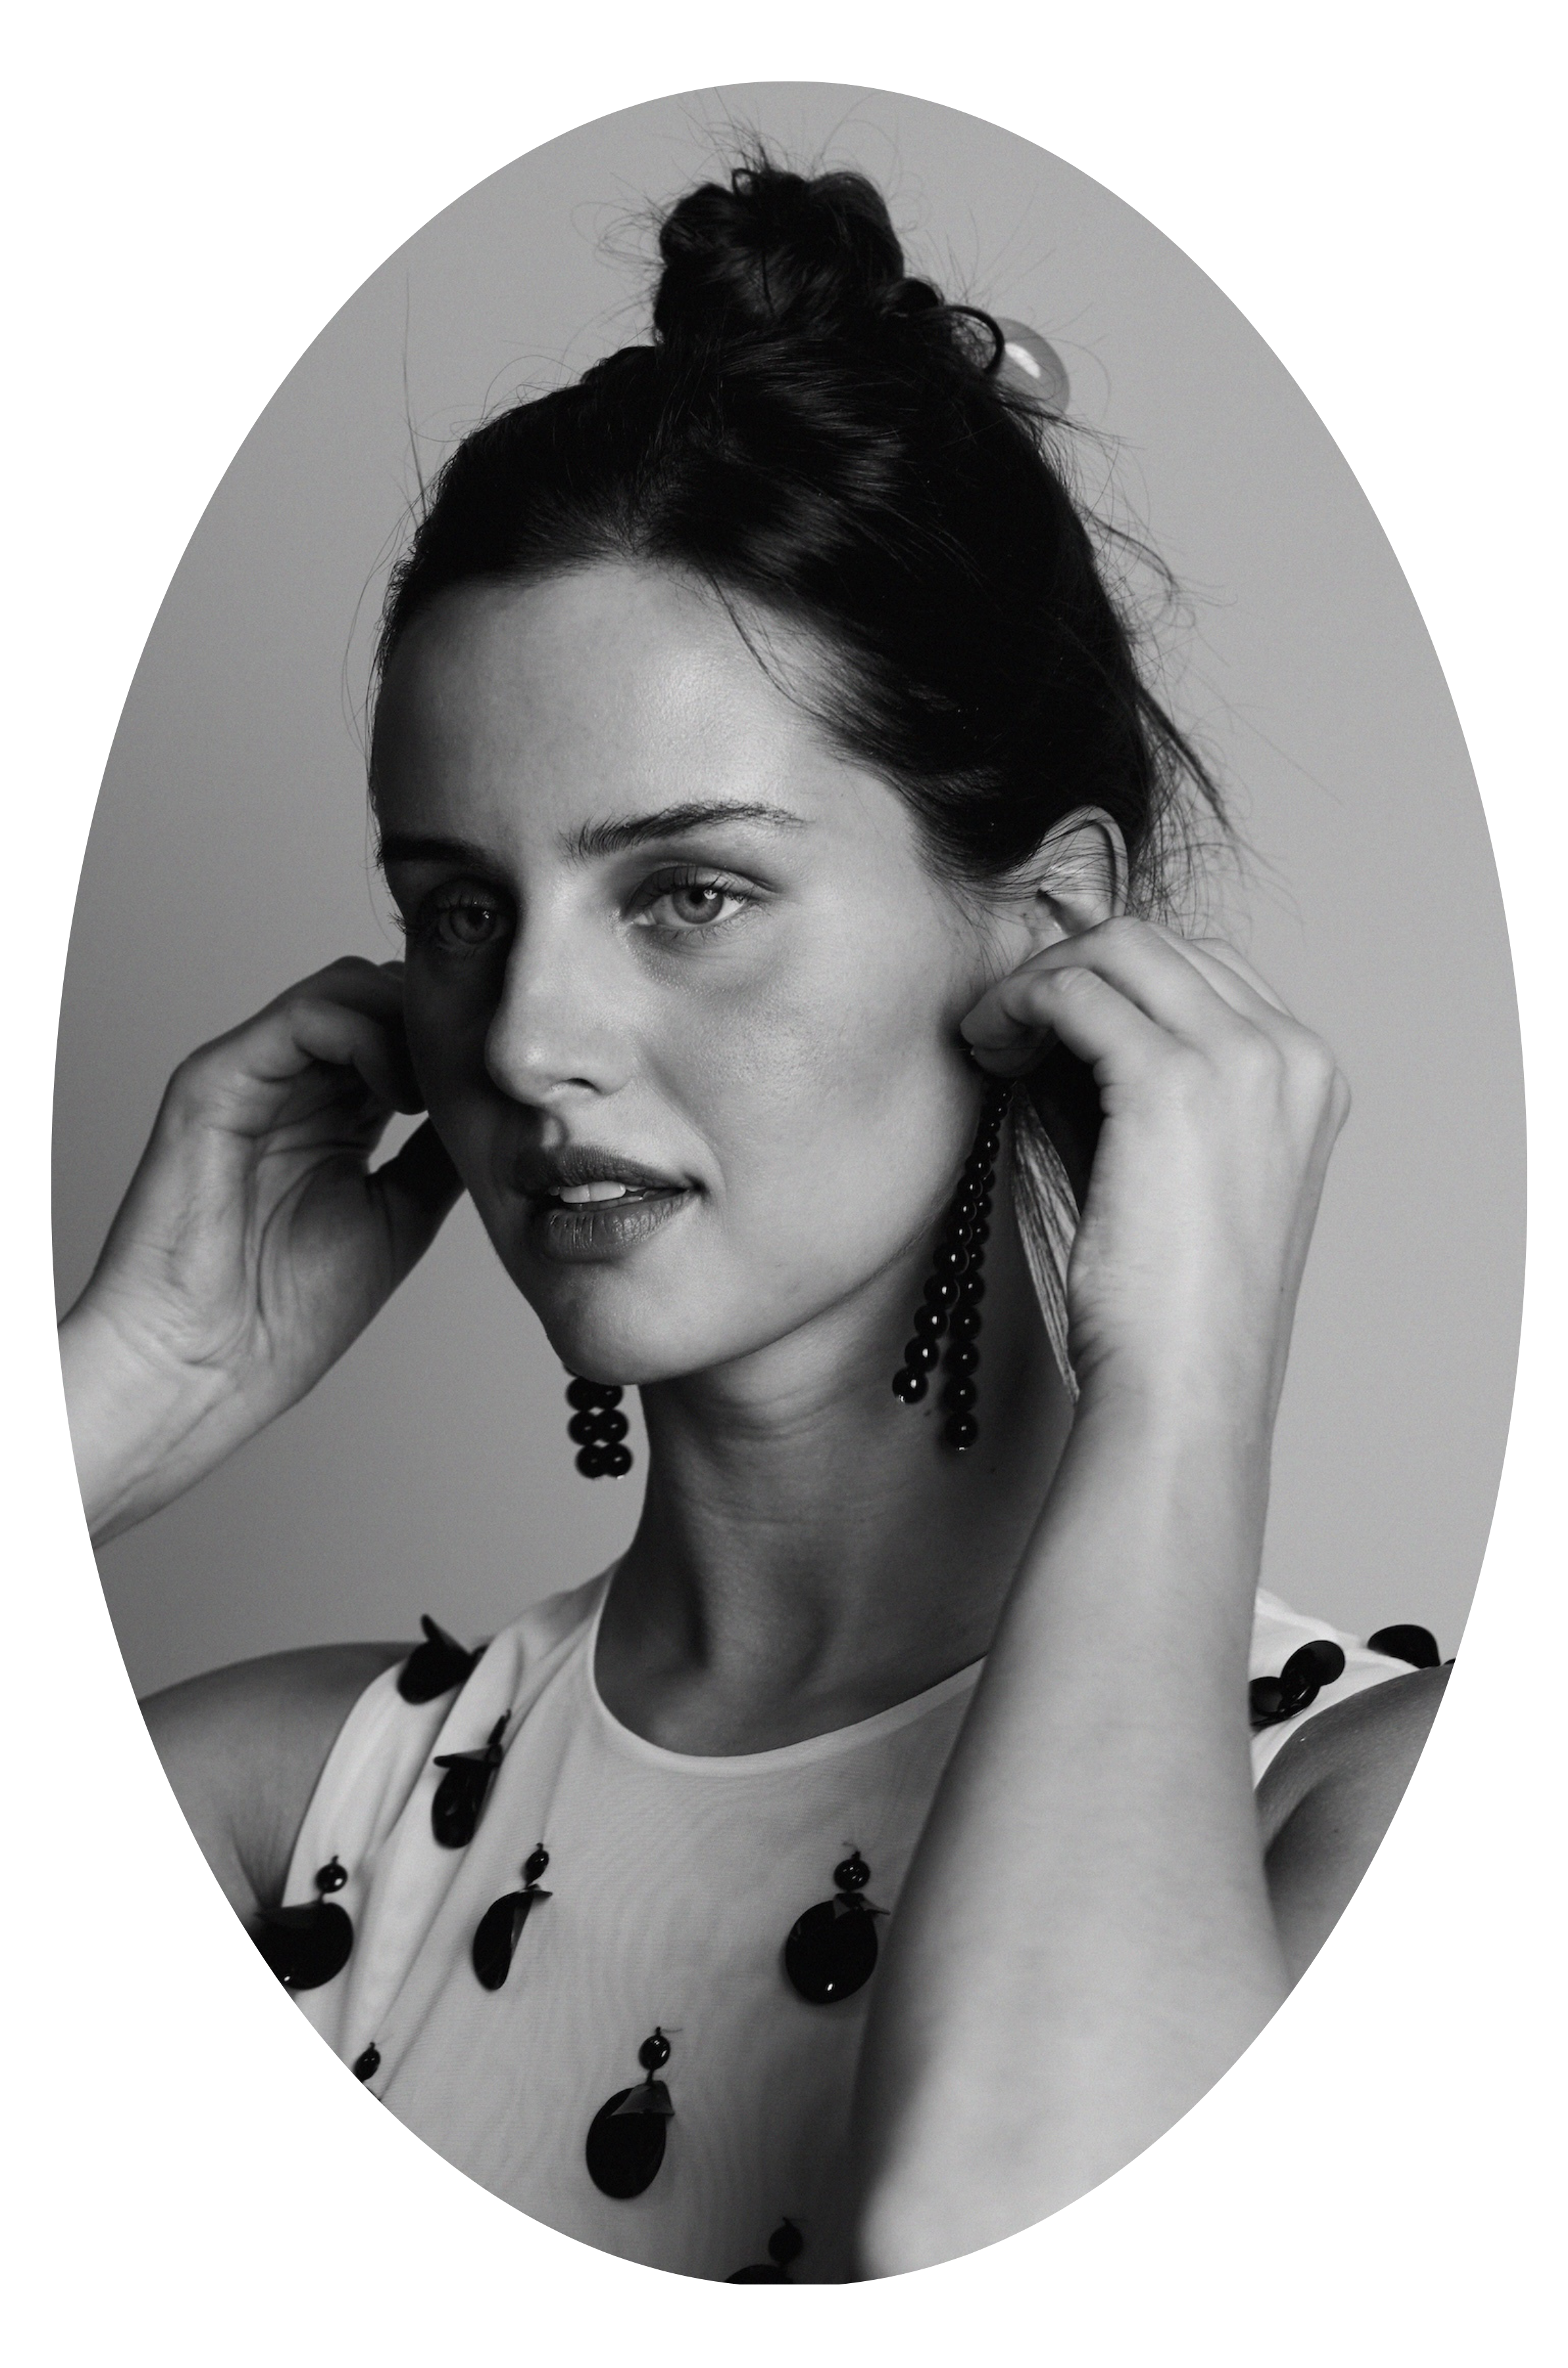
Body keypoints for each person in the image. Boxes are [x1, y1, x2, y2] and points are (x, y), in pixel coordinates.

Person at [59, 158, 1449, 2282]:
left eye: (687, 893)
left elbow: (991, 2206)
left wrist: (1185, 1384)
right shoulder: (295, 1807)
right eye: (459, 909)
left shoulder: (1341, 1805)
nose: (525, 1037)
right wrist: (133, 1389)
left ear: (1050, 932)